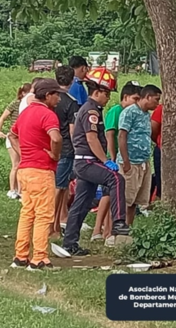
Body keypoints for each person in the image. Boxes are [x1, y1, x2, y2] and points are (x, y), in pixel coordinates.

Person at [62, 68, 129, 256]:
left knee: (81, 203)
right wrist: (106, 160)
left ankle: (70, 243)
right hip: (88, 162)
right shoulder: (91, 110)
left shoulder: (92, 109)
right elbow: (92, 139)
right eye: (106, 94)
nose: (108, 98)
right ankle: (118, 222)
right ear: (97, 92)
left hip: (83, 161)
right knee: (116, 179)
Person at [9, 79, 64, 270]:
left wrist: (23, 153)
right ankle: (39, 258)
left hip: (24, 169)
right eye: (56, 94)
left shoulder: (25, 113)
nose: (58, 98)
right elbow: (56, 138)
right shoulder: (47, 115)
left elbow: (12, 134)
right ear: (48, 96)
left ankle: (20, 256)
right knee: (44, 214)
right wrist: (55, 154)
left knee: (27, 213)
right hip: (41, 170)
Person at [92, 81, 142, 242]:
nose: (137, 103)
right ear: (125, 97)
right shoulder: (116, 111)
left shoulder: (134, 113)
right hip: (113, 158)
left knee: (118, 195)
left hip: (124, 157)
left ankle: (113, 230)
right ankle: (102, 230)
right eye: (135, 99)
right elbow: (110, 135)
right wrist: (111, 158)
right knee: (109, 195)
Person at [118, 84, 161, 225]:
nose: (157, 103)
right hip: (130, 161)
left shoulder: (146, 115)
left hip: (143, 161)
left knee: (136, 199)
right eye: (156, 99)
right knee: (126, 198)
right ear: (147, 97)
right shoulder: (129, 112)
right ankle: (119, 226)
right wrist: (126, 161)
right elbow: (122, 135)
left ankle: (128, 226)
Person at [52, 66, 79, 235]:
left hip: (51, 146)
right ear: (72, 80)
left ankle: (55, 224)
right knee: (60, 187)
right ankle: (50, 224)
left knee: (60, 187)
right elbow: (72, 130)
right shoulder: (71, 102)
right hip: (66, 148)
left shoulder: (50, 99)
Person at [0, 82, 31, 199]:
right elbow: (3, 117)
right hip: (13, 136)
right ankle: (12, 190)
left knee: (22, 163)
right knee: (16, 164)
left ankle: (20, 190)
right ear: (23, 93)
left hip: (22, 137)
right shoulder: (16, 104)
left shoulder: (28, 106)